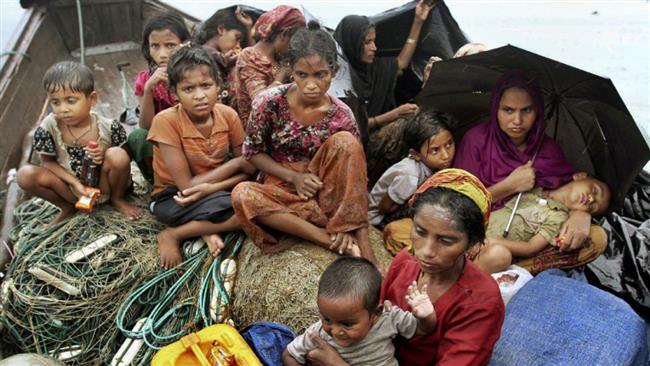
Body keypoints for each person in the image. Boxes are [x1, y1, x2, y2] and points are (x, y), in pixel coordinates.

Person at [305, 169, 505, 366]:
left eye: (446, 241)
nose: (426, 251)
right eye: (420, 231)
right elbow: (373, 320)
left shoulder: (481, 300)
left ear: (471, 243)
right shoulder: (405, 262)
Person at [231, 22, 378, 264]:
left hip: (322, 190)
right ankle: (325, 238)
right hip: (281, 188)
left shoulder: (341, 114)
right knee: (242, 194)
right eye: (302, 75)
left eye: (320, 75)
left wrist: (356, 223)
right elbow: (253, 153)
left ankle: (355, 240)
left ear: (332, 71)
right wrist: (294, 178)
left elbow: (353, 169)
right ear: (292, 72)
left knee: (346, 142)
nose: (311, 84)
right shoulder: (269, 103)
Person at [454, 70, 592, 251]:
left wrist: (581, 215)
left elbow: (563, 194)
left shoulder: (548, 149)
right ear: (495, 108)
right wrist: (509, 186)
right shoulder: (476, 141)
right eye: (508, 110)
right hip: (478, 234)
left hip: (527, 236)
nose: (517, 120)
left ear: (538, 111)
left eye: (527, 110)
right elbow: (458, 207)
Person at [147, 47, 254, 269]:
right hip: (174, 197)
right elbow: (187, 186)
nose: (199, 95)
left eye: (206, 86)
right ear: (174, 94)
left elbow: (250, 169)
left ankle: (205, 228)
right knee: (240, 215)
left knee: (254, 210)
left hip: (213, 191)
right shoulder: (166, 121)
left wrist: (212, 187)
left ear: (218, 85)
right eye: (188, 89)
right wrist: (235, 163)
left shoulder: (228, 115)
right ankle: (173, 234)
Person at [16, 61, 143, 226]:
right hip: (72, 190)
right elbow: (48, 163)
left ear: (92, 99)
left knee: (117, 155)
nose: (63, 109)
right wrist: (74, 184)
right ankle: (67, 208)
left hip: (104, 187)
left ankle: (117, 200)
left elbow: (127, 157)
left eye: (71, 101)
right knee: (24, 175)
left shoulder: (108, 126)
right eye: (56, 102)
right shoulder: (48, 127)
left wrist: (103, 155)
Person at [282, 257, 437, 366]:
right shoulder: (317, 334)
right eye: (327, 319)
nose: (335, 331)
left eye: (347, 324)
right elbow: (289, 354)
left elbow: (422, 329)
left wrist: (426, 316)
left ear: (375, 314)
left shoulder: (389, 319)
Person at [333, 1, 434, 144]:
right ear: (353, 43)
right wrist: (394, 115)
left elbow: (400, 65)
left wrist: (418, 21)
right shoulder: (337, 78)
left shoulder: (373, 69)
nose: (374, 47)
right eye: (367, 42)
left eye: (374, 41)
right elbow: (347, 125)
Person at [474, 173, 611, 274]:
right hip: (473, 229)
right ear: (580, 176)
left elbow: (531, 247)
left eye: (593, 207)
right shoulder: (534, 189)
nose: (591, 199)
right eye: (594, 190)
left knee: (501, 256)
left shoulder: (558, 217)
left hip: (488, 248)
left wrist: (492, 241)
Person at [126, 12, 190, 181]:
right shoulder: (145, 80)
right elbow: (146, 126)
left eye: (170, 46)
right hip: (164, 140)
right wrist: (148, 89)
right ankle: (159, 181)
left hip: (193, 139)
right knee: (137, 137)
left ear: (185, 45)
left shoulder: (195, 74)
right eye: (155, 46)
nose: (162, 54)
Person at [368, 111, 455, 228]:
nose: (446, 155)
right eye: (435, 150)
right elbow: (384, 207)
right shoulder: (410, 175)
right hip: (378, 219)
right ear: (415, 154)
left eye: (449, 144)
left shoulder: (431, 166)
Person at [234, 5, 305, 124]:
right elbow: (260, 102)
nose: (296, 47)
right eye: (295, 41)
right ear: (284, 35)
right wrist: (280, 77)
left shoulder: (278, 57)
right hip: (258, 131)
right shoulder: (250, 56)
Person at [194, 6, 253, 109]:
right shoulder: (204, 52)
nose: (238, 45)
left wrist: (248, 27)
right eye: (237, 38)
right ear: (221, 29)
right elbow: (247, 57)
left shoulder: (216, 56)